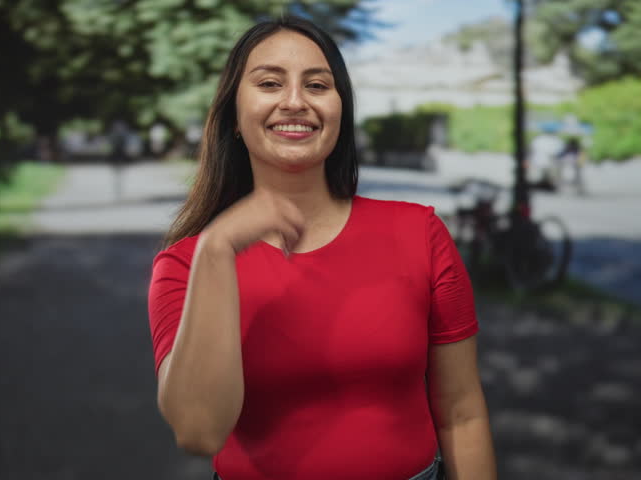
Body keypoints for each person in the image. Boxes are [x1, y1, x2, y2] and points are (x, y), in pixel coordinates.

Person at [147, 16, 497, 480]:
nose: (295, 101)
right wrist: (216, 251)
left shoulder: (420, 232)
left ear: (339, 113)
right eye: (269, 83)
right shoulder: (186, 264)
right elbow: (199, 431)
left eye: (317, 85)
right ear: (233, 117)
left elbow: (462, 413)